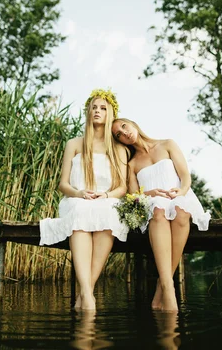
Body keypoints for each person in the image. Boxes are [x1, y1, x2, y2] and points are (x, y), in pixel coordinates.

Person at [40, 89, 128, 311]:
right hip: (78, 198)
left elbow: (123, 187)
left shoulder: (118, 148)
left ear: (111, 114)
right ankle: (88, 295)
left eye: (103, 108)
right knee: (80, 212)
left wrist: (106, 195)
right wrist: (79, 193)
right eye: (94, 108)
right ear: (88, 112)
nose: (97, 111)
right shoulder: (74, 143)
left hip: (106, 199)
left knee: (108, 213)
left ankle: (85, 293)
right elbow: (63, 184)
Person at [111, 118, 211, 312]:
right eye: (118, 135)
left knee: (181, 211)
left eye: (124, 126)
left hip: (178, 195)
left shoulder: (167, 144)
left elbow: (185, 177)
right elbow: (134, 196)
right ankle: (169, 289)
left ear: (132, 123)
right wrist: (150, 193)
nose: (125, 133)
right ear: (119, 141)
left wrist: (180, 192)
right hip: (153, 204)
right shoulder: (131, 164)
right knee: (158, 209)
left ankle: (161, 287)